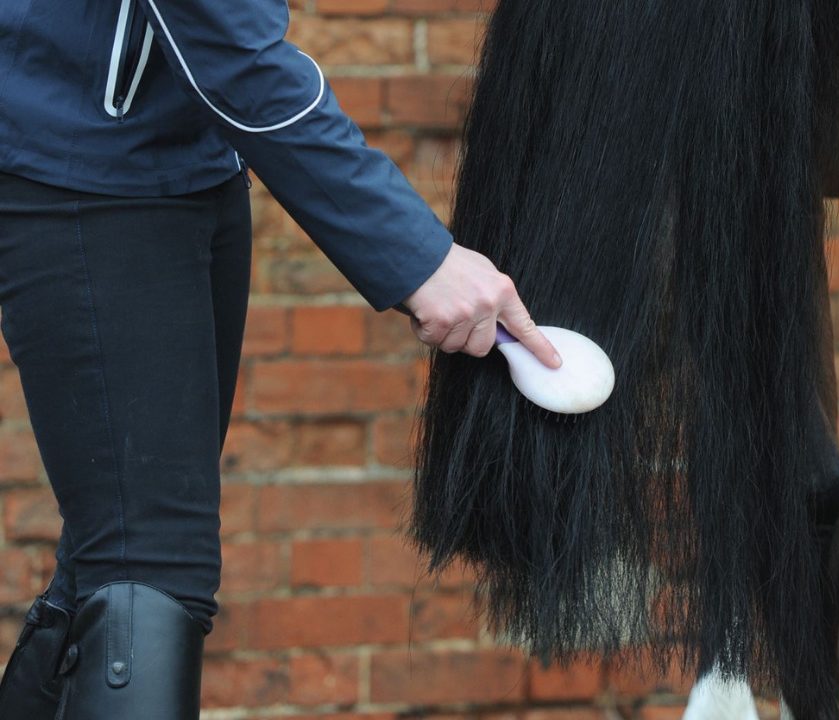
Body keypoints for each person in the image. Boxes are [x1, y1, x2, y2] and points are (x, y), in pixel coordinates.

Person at [0, 1, 560, 717]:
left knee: (105, 569)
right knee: (148, 575)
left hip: (189, 161)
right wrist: (418, 258)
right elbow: (231, 45)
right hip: (84, 172)